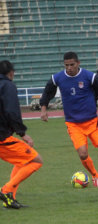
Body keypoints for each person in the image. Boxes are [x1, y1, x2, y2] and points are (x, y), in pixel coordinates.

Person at [40, 52, 98, 187]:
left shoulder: (90, 76)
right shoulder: (57, 78)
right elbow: (48, 92)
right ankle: (95, 175)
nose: (69, 68)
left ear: (78, 63)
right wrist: (43, 109)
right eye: (66, 65)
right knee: (83, 154)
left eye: (72, 64)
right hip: (73, 124)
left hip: (92, 121)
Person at [0, 60, 43, 209]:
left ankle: (10, 198)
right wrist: (22, 133)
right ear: (11, 72)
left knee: (22, 161)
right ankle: (5, 191)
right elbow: (11, 111)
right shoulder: (8, 86)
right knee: (36, 160)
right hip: (1, 137)